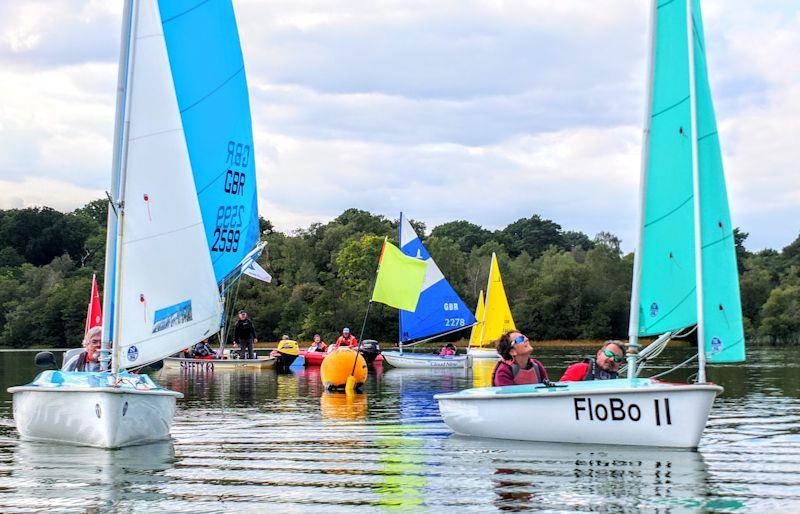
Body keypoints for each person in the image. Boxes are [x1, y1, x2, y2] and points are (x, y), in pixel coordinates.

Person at [560, 340, 625, 382]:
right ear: (599, 354)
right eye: (609, 354)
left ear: (619, 364)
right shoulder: (580, 368)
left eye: (617, 359)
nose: (612, 359)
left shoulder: (619, 381)